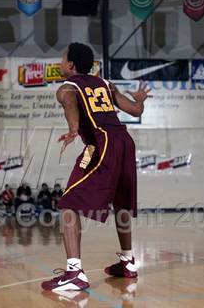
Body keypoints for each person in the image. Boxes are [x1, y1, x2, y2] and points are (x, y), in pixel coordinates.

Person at [41, 43, 150, 291]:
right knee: (121, 203)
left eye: (62, 59)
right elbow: (134, 109)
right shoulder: (105, 84)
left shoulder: (67, 87)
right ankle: (128, 262)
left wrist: (73, 129)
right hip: (124, 141)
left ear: (70, 65)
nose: (60, 63)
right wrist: (140, 99)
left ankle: (74, 273)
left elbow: (69, 103)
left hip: (101, 143)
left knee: (68, 202)